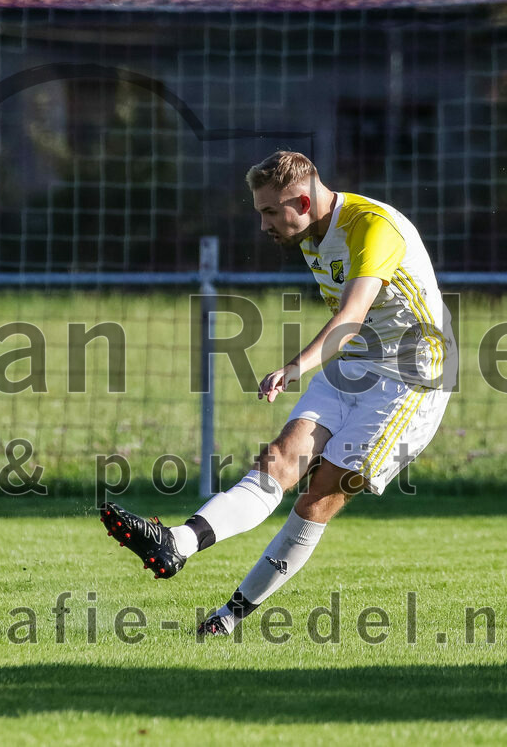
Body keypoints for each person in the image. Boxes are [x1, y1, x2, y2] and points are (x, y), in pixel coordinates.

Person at [100, 150, 457, 636]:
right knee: (278, 461)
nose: (264, 224)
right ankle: (176, 543)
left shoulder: (373, 228)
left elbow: (351, 318)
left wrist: (296, 365)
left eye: (270, 212)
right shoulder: (311, 232)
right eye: (259, 212)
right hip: (354, 368)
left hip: (411, 381)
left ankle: (227, 618)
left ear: (304, 201)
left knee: (316, 498)